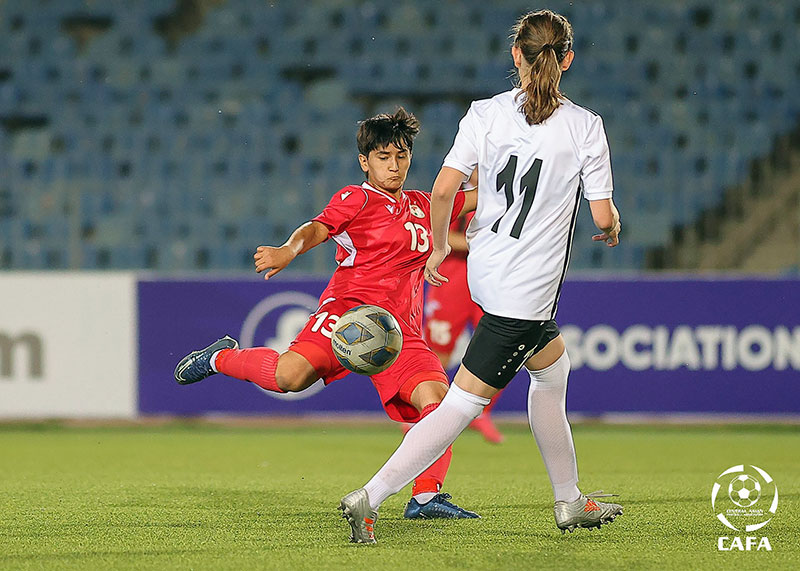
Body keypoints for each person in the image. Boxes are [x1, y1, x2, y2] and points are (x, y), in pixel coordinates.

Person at [340, 10, 623, 544]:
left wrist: (442, 244)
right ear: (567, 60)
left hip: (488, 276)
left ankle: (569, 500)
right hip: (526, 294)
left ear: (515, 55)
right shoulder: (585, 126)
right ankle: (369, 497)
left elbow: (443, 190)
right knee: (459, 407)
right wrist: (610, 228)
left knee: (552, 370)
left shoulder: (484, 113)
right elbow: (603, 216)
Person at [174, 108, 482, 522]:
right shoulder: (356, 198)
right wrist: (288, 249)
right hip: (347, 317)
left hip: (398, 332)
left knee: (438, 403)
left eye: (402, 156)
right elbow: (316, 228)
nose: (394, 166)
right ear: (365, 162)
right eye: (384, 157)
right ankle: (220, 357)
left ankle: (426, 498)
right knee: (289, 378)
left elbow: (484, 193)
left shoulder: (425, 204)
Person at [423, 207, 504, 444]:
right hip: (452, 277)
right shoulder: (455, 191)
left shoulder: (504, 190)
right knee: (438, 353)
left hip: (491, 278)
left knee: (502, 350)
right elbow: (438, 234)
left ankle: (481, 413)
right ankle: (425, 416)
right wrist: (484, 243)